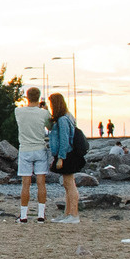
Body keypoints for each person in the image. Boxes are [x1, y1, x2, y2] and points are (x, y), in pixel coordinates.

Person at [14, 86, 53, 222]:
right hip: (39, 148)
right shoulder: (43, 113)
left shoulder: (18, 111)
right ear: (39, 97)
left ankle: (24, 215)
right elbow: (50, 127)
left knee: (26, 184)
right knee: (41, 183)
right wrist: (45, 109)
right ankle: (41, 214)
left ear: (27, 97)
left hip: (25, 149)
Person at [48, 91, 83, 223]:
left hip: (66, 155)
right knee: (68, 184)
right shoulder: (68, 116)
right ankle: (68, 214)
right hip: (69, 154)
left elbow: (64, 140)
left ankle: (73, 215)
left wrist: (61, 158)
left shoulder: (63, 119)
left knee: (69, 184)